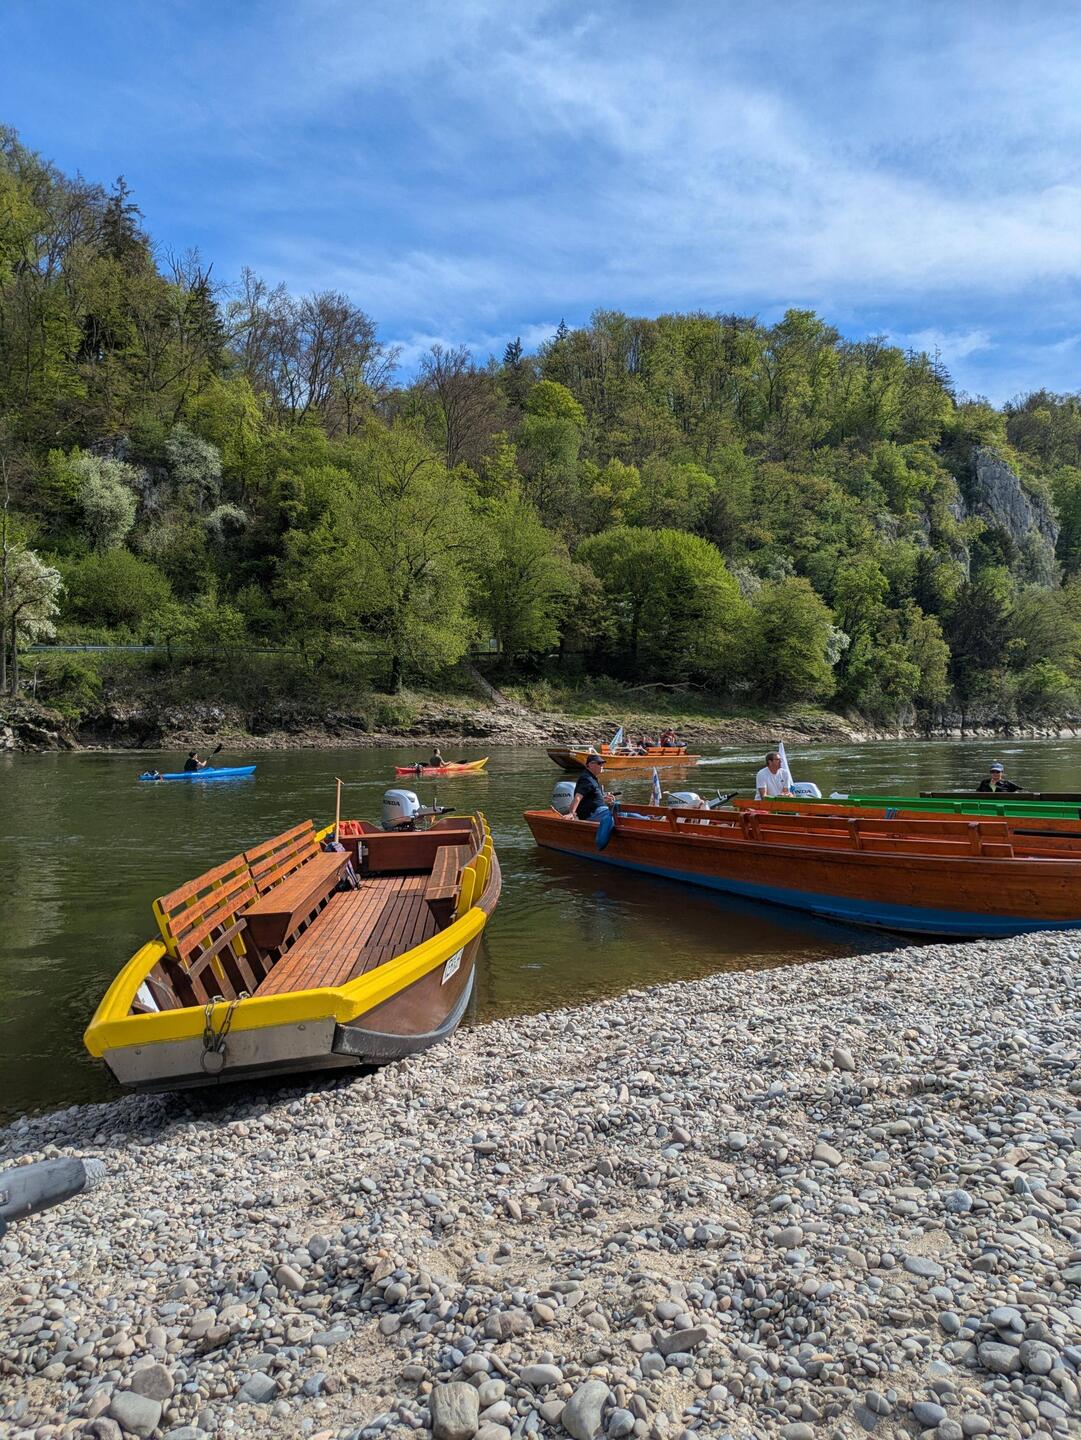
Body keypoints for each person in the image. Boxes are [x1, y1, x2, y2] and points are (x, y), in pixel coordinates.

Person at [564, 752, 616, 821]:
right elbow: (578, 797)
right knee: (620, 814)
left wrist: (603, 799)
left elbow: (592, 798)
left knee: (626, 813)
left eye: (602, 763)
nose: (602, 765)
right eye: (599, 763)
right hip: (592, 813)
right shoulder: (586, 779)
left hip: (599, 811)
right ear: (590, 765)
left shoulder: (592, 778)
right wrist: (571, 813)